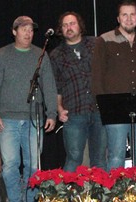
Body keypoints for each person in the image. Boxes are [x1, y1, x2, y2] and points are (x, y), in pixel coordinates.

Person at [0, 16, 57, 202]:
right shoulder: (2, 54)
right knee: (10, 164)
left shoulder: (40, 55)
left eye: (31, 29)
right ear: (14, 31)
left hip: (34, 118)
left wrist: (51, 112)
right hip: (8, 118)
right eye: (24, 29)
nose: (28, 33)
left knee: (33, 164)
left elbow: (50, 87)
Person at [91, 0, 136, 173]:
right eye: (124, 15)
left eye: (132, 14)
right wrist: (102, 106)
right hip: (115, 108)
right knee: (115, 155)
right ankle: (116, 198)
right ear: (118, 18)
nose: (129, 19)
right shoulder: (104, 40)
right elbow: (97, 76)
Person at [49, 11, 107, 171]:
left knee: (100, 160)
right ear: (60, 29)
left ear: (80, 26)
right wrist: (59, 109)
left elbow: (108, 73)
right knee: (73, 158)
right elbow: (56, 87)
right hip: (73, 113)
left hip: (99, 111)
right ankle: (67, 196)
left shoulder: (97, 44)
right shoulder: (56, 55)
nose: (69, 27)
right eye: (65, 25)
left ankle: (101, 195)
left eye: (72, 23)